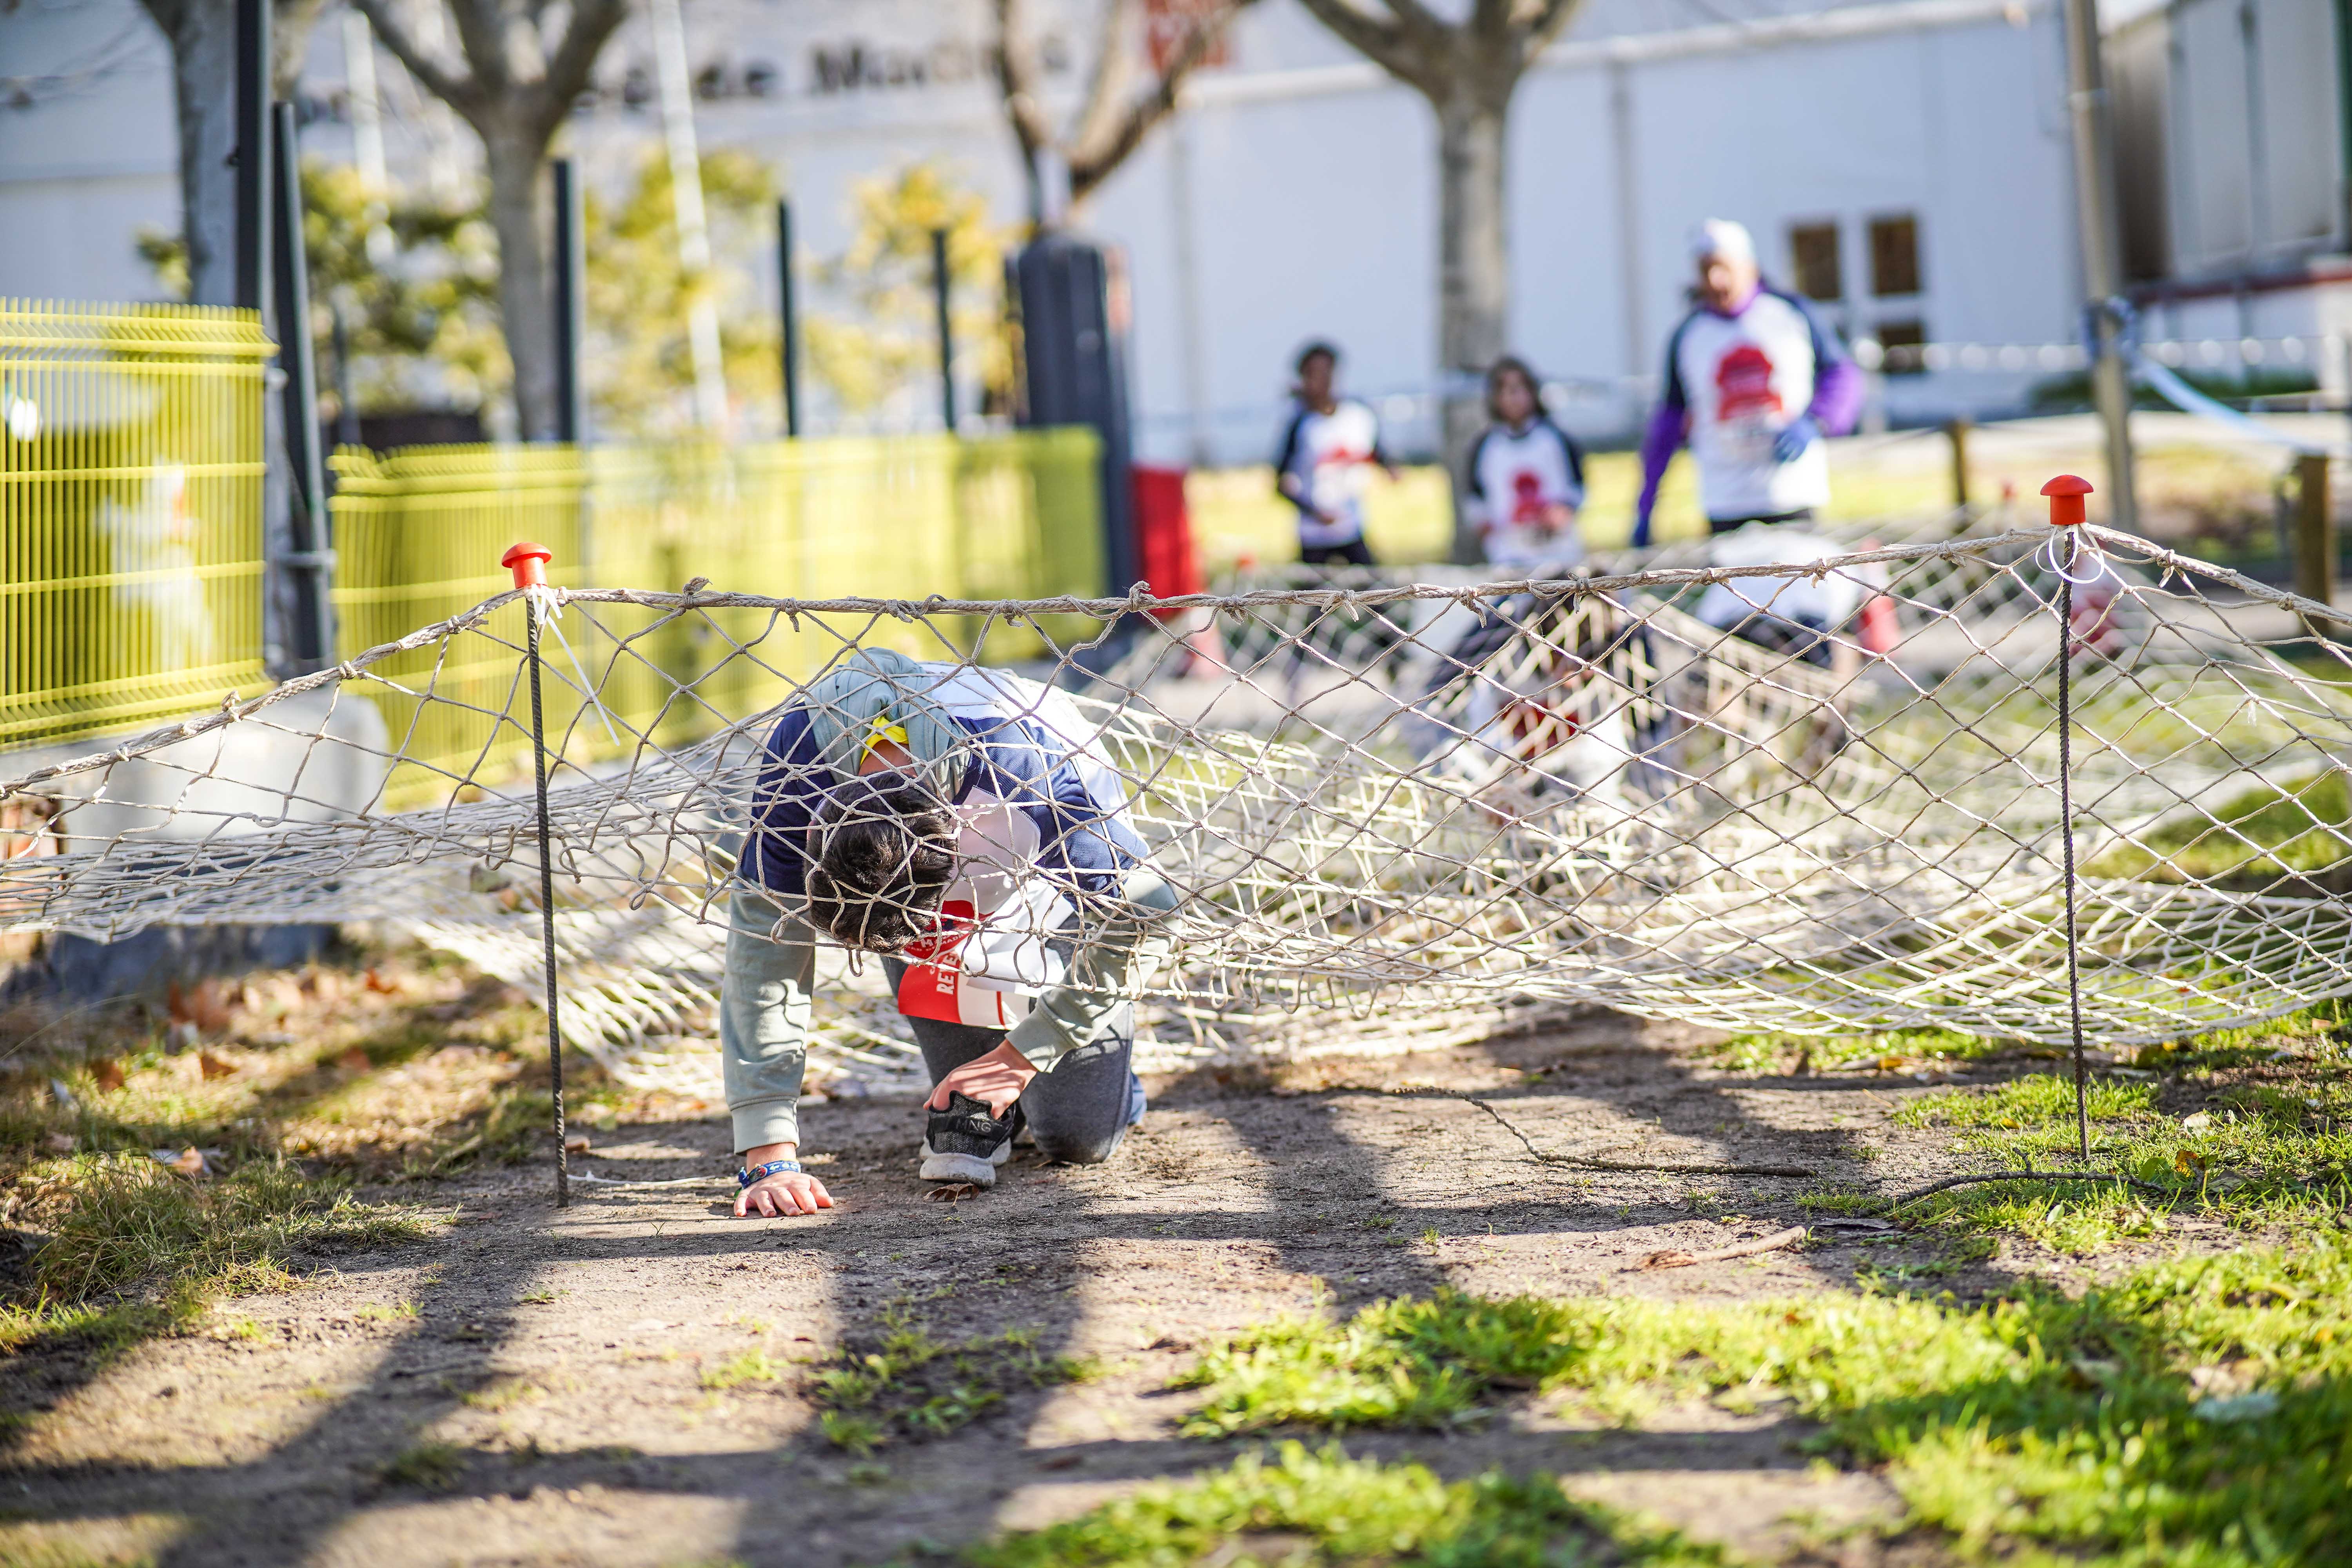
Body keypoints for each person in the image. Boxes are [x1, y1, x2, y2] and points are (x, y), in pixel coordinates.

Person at [722, 649, 1175, 1220]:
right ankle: (991, 1056)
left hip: (1054, 891)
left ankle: (1094, 1067)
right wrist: (769, 1153)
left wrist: (1023, 1056)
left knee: (1075, 1139)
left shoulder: (1031, 772)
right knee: (969, 1122)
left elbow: (1149, 913)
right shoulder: (799, 770)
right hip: (934, 898)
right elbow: (765, 950)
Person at [1631, 219, 1864, 548]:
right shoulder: (1688, 336)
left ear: (1749, 266)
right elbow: (1669, 420)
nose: (1715, 281)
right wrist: (1647, 503)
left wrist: (1817, 422)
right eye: (1705, 271)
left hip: (1790, 493)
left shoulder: (1791, 314)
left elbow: (1843, 375)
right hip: (1725, 498)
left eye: (1723, 268)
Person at [1274, 341, 1398, 567]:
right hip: (1314, 534)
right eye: (1312, 375)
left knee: (1374, 594)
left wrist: (1390, 468)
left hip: (1352, 524)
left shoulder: (1357, 416)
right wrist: (1315, 512)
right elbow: (1281, 483)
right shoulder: (1301, 424)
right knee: (1313, 597)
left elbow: (1377, 452)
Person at [1463, 356, 1586, 572]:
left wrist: (1563, 511)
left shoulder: (1555, 439)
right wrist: (1489, 530)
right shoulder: (1486, 447)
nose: (1514, 398)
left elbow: (1578, 488)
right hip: (1509, 557)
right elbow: (1475, 501)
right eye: (1506, 390)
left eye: (1520, 389)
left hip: (1558, 554)